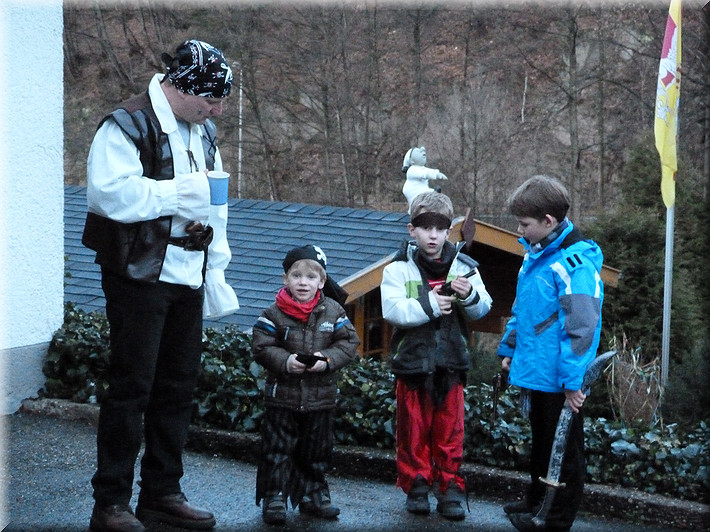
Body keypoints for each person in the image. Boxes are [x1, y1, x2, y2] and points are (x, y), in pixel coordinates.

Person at [82, 39, 239, 532]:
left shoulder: (203, 131)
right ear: (182, 88)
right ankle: (110, 503)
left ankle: (162, 494)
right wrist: (177, 193)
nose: (217, 110)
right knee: (132, 388)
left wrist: (217, 267)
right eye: (211, 99)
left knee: (178, 387)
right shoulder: (126, 124)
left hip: (188, 272)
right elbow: (107, 195)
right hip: (138, 273)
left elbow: (215, 205)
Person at [497, 175, 604, 532]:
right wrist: (510, 348)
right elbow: (524, 309)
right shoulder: (537, 254)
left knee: (565, 452)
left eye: (524, 224)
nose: (519, 230)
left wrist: (574, 382)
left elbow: (582, 328)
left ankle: (555, 520)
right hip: (538, 370)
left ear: (548, 221)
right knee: (543, 443)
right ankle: (535, 502)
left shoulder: (574, 264)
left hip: (561, 378)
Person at [380, 191, 492, 521]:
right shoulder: (397, 268)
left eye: (440, 228)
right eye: (425, 228)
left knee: (450, 432)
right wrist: (430, 304)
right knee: (412, 431)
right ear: (412, 230)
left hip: (452, 362)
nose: (433, 235)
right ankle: (416, 486)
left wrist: (469, 295)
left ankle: (450, 487)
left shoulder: (464, 267)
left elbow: (483, 308)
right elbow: (392, 310)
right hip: (412, 363)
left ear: (448, 231)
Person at [251, 245, 360, 525]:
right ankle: (273, 496)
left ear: (322, 282)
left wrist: (327, 360)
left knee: (317, 450)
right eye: (296, 276)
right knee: (277, 449)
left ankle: (313, 494)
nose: (303, 282)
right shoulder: (272, 313)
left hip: (320, 398)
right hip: (282, 397)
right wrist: (286, 361)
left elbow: (349, 343)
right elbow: (261, 347)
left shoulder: (333, 311)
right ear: (285, 279)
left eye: (311, 277)